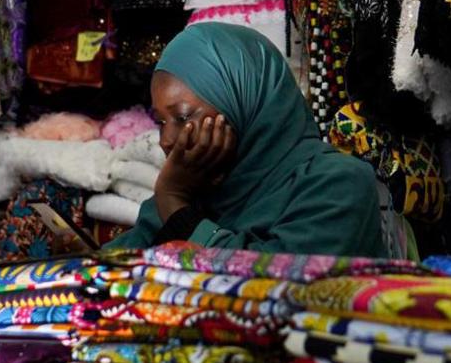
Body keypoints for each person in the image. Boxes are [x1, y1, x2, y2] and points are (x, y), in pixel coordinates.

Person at [106, 22, 388, 257]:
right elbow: (112, 271)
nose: (166, 140)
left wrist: (176, 207)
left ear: (244, 101)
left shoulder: (336, 185)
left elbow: (273, 292)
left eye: (182, 117)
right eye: (160, 122)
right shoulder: (198, 185)